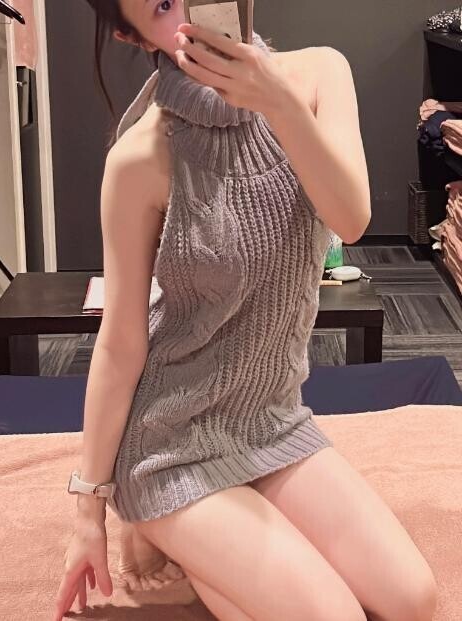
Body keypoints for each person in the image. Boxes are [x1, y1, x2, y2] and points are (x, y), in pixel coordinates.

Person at [52, 2, 438, 620]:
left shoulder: (319, 73)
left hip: (270, 419)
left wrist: (276, 101)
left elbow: (351, 219)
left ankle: (198, 550)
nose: (192, 4)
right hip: (171, 445)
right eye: (161, 5)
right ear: (132, 35)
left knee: (413, 600)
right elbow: (120, 343)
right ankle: (159, 520)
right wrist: (87, 510)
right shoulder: (140, 159)